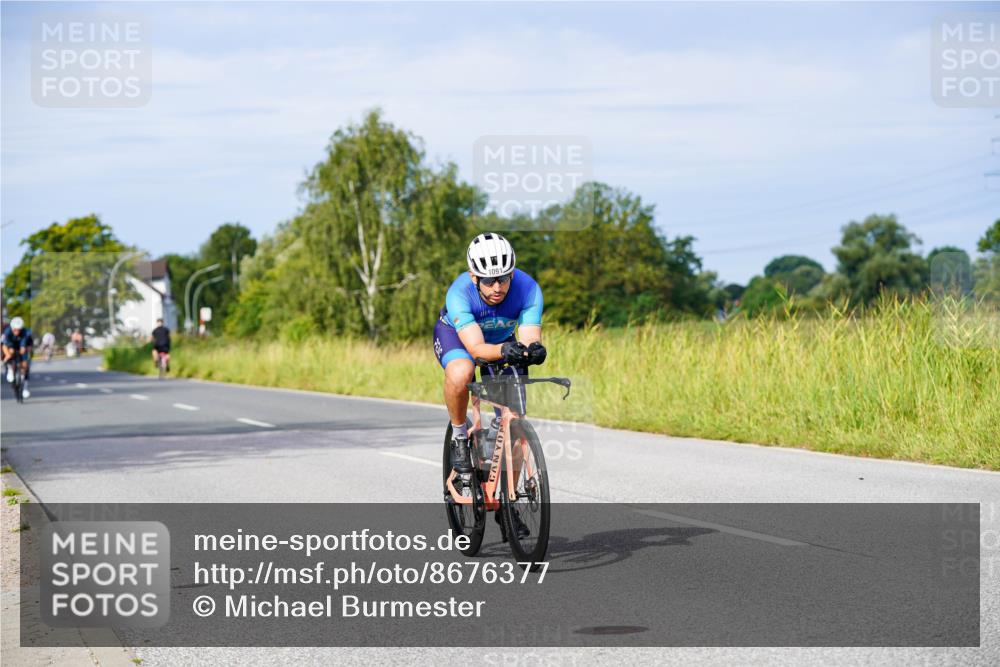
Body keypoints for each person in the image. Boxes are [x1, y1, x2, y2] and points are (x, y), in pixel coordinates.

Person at [433, 233, 547, 475]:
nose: (497, 288)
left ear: (512, 274)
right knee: (462, 371)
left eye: (503, 279)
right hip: (459, 338)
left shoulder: (528, 289)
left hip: (500, 340)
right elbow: (476, 349)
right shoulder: (459, 293)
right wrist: (504, 350)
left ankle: (512, 497)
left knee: (515, 423)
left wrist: (533, 349)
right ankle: (459, 437)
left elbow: (529, 336)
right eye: (488, 280)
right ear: (474, 276)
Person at [2, 317, 34, 399]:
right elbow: (4, 344)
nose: (17, 332)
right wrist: (8, 353)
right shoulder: (7, 332)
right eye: (15, 330)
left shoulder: (26, 332)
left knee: (25, 365)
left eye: (19, 330)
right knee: (10, 352)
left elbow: (27, 343)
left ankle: (25, 387)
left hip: (22, 347)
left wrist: (24, 348)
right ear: (12, 328)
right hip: (11, 346)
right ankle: (10, 368)